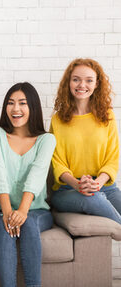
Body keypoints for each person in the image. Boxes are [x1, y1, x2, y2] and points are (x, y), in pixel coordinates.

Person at [0, 82, 55, 287]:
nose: (15, 109)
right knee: (4, 226)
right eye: (11, 103)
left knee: (29, 223)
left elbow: (37, 175)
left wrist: (23, 211)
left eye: (22, 103)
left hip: (36, 210)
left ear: (33, 107)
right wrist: (8, 212)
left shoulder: (46, 139)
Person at [51, 58, 121, 223]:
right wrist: (77, 184)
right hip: (67, 190)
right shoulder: (57, 120)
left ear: (97, 84)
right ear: (69, 82)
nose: (82, 85)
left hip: (105, 186)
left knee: (98, 195)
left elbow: (113, 158)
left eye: (89, 80)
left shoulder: (108, 116)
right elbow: (57, 162)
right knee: (93, 198)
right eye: (76, 79)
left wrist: (97, 184)